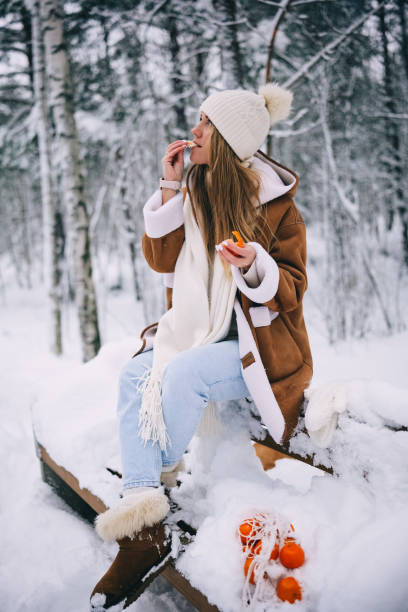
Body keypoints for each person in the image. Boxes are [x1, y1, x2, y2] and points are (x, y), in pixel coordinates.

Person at [90, 83, 313, 609]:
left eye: (205, 125)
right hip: (196, 332)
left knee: (185, 373)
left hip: (258, 352)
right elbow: (163, 260)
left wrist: (255, 264)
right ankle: (146, 517)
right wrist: (169, 187)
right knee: (134, 376)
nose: (195, 132)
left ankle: (146, 510)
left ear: (230, 137)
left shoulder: (279, 210)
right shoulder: (198, 190)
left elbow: (292, 288)